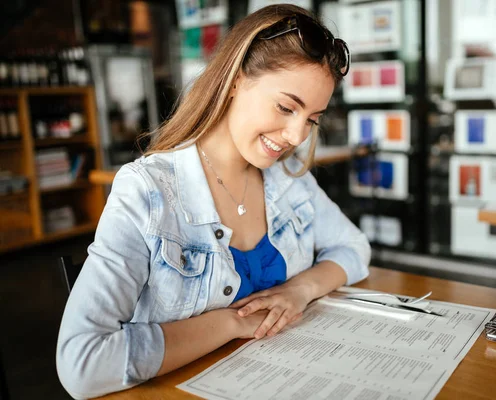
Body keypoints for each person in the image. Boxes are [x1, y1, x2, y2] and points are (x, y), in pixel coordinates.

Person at [56, 4, 370, 399]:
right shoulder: (148, 192)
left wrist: (300, 290)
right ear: (236, 80)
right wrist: (232, 324)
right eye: (286, 107)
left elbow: (354, 247)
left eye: (311, 119)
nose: (296, 135)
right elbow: (81, 363)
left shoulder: (288, 180)